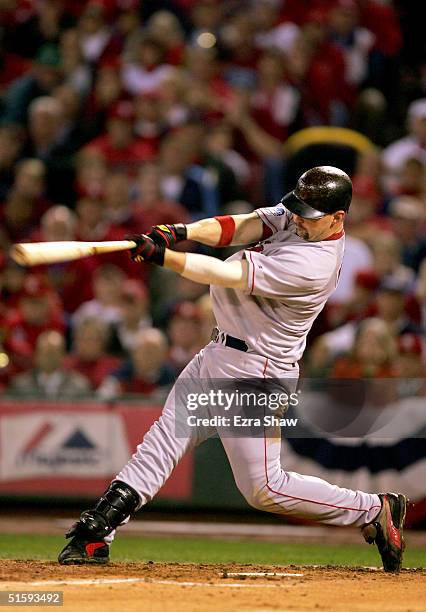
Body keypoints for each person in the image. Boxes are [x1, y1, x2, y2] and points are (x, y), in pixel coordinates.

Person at [58, 166, 407, 573]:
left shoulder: (314, 264)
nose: (296, 218)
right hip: (219, 353)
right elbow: (239, 226)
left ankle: (373, 510)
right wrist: (182, 231)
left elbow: (227, 273)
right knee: (163, 442)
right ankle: (96, 531)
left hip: (255, 373)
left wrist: (165, 256)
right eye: (297, 209)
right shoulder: (301, 217)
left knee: (264, 488)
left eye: (308, 215)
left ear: (337, 218)